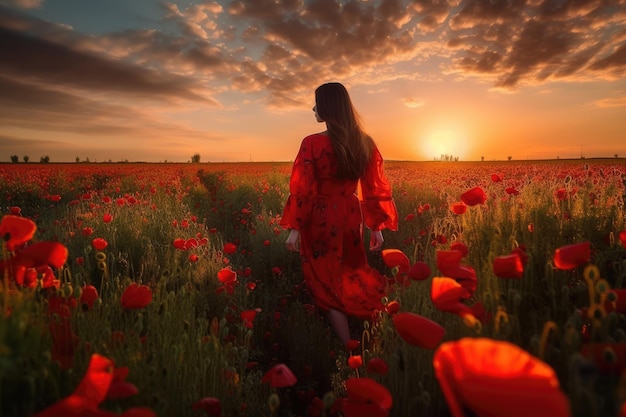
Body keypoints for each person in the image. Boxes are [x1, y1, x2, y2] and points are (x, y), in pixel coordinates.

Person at [280, 82, 398, 347]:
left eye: (317, 103)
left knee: (325, 280)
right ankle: (381, 327)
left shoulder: (312, 143)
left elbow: (304, 190)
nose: (313, 109)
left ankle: (349, 348)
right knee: (352, 272)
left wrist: (295, 229)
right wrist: (375, 227)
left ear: (329, 106)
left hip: (320, 218)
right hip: (349, 215)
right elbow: (372, 188)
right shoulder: (364, 142)